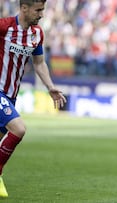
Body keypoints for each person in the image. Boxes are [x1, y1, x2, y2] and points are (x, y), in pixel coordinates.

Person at [0, 0, 66, 197]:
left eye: (43, 9)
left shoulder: (37, 33)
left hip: (10, 96)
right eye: (38, 10)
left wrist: (50, 87)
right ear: (24, 8)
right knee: (19, 129)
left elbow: (39, 63)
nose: (41, 14)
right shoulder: (4, 27)